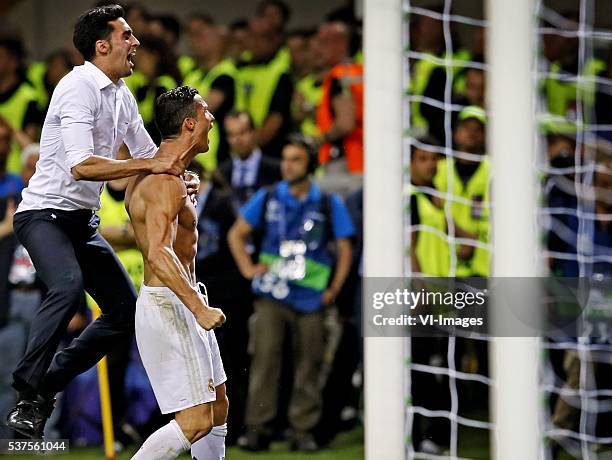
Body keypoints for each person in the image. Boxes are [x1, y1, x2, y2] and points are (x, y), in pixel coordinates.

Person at [5, 4, 195, 439]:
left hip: (80, 222)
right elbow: (82, 167)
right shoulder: (77, 88)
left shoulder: (121, 94)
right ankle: (28, 388)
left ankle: (42, 391)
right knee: (67, 287)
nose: (136, 43)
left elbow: (152, 156)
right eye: (127, 36)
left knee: (126, 313)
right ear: (102, 45)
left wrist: (181, 176)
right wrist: (152, 166)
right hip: (43, 215)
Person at [228, 135, 354, 452]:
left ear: (310, 164)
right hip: (273, 293)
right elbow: (236, 233)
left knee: (309, 364)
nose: (287, 165)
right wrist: (247, 269)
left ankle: (303, 430)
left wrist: (334, 288)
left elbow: (345, 247)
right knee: (264, 361)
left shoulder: (327, 202)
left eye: (295, 159)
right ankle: (258, 429)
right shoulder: (269, 196)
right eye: (284, 158)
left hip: (312, 296)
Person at [126, 86, 227, 460]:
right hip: (172, 303)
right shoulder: (164, 182)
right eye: (204, 113)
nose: (211, 119)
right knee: (197, 419)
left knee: (217, 406)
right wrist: (198, 309)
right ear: (188, 124)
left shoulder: (167, 174)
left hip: (180, 297)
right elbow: (157, 252)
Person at [315, 22, 364, 195]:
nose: (316, 49)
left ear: (340, 44)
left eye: (322, 43)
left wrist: (320, 139)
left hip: (345, 163)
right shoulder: (360, 71)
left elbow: (345, 123)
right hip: (364, 159)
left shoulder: (339, 76)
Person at [218, 110, 281, 207]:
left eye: (242, 133)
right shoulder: (221, 173)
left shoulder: (276, 170)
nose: (237, 140)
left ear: (254, 133)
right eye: (231, 135)